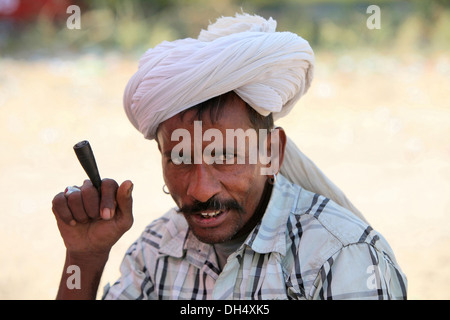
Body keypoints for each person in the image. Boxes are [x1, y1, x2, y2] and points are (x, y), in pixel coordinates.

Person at [52, 13, 407, 300]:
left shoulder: (341, 258)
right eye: (180, 158)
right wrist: (85, 257)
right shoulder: (157, 249)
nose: (201, 189)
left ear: (271, 152)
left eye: (224, 155)